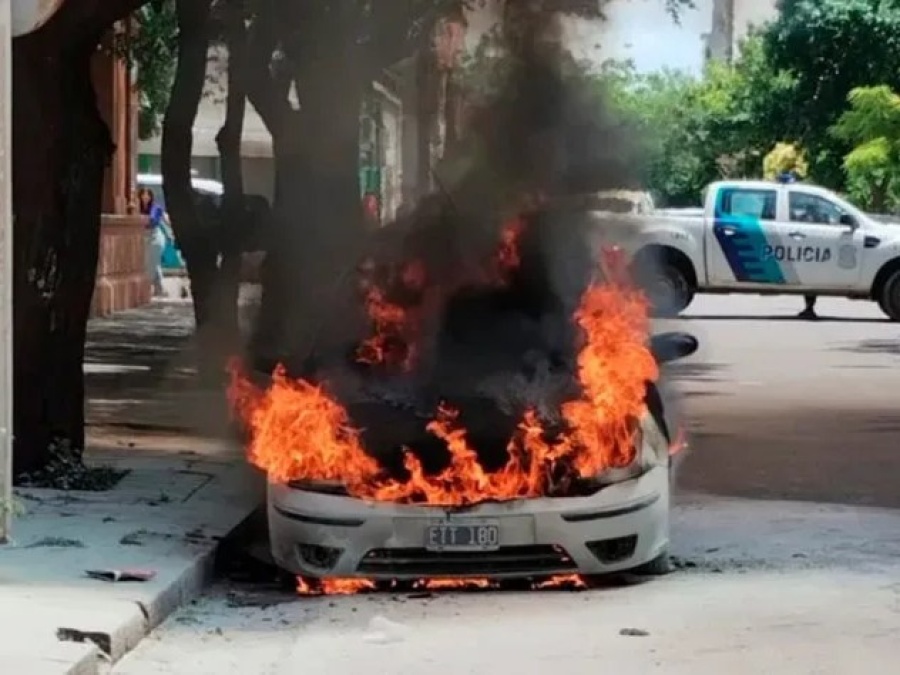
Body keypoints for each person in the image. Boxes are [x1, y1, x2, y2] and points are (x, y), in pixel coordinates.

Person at [138, 188, 169, 298]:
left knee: (150, 262)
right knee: (153, 263)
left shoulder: (156, 208)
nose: (145, 197)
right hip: (144, 238)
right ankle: (159, 289)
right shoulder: (137, 208)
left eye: (148, 195)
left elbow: (162, 220)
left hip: (156, 238)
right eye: (143, 195)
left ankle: (146, 288)